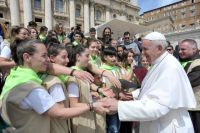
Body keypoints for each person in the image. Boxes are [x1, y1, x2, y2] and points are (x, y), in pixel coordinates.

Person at [0, 39, 108, 133]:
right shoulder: (31, 88)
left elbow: (50, 67)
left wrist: (73, 72)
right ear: (27, 57)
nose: (48, 60)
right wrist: (91, 106)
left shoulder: (15, 74)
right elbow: (59, 113)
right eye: (44, 56)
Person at [104, 32, 196, 133]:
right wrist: (133, 95)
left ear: (159, 48)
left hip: (167, 127)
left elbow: (158, 106)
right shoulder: (159, 62)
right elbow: (155, 87)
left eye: (145, 49)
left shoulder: (170, 67)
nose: (142, 53)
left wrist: (119, 106)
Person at [179, 39, 200, 133]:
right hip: (184, 107)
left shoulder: (198, 63)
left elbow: (188, 82)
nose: (180, 52)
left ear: (194, 49)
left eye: (183, 49)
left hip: (196, 109)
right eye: (179, 49)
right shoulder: (180, 63)